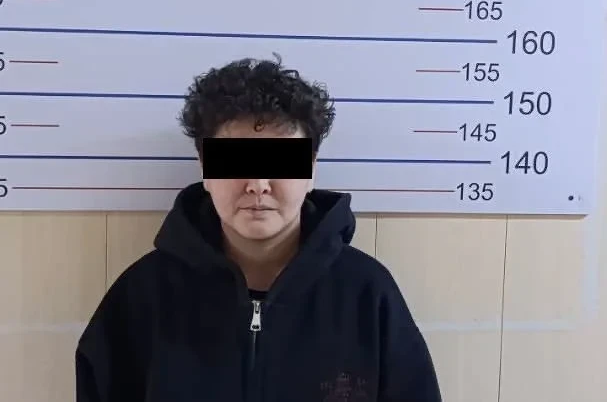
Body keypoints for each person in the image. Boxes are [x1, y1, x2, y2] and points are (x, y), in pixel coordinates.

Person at [75, 55, 442, 402]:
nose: (258, 185)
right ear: (205, 169)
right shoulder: (142, 297)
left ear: (311, 170)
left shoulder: (368, 294)